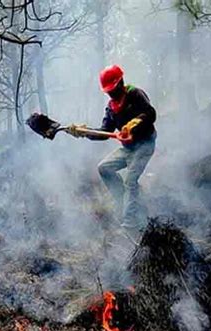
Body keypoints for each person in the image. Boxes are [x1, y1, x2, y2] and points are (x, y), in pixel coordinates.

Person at [67, 65, 156, 228]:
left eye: (113, 89)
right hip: (128, 148)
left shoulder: (135, 94)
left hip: (145, 144)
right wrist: (84, 132)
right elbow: (105, 132)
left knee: (131, 180)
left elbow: (151, 113)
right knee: (104, 168)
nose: (111, 93)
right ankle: (122, 199)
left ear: (121, 82)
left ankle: (130, 223)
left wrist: (134, 124)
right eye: (108, 91)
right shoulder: (111, 108)